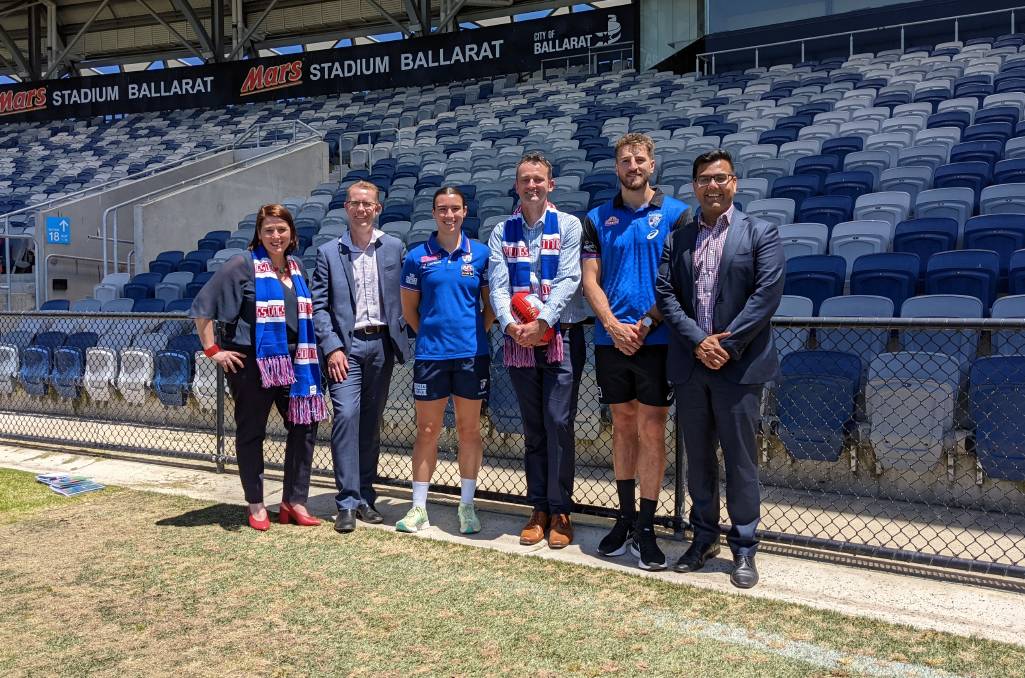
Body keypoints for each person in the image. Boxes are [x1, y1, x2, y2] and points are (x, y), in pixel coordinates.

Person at [655, 149, 784, 589]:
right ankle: (704, 536)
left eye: (721, 178)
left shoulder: (760, 233)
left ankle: (744, 546)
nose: (713, 185)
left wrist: (725, 344)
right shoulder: (680, 238)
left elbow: (766, 295)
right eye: (705, 179)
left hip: (738, 366)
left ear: (735, 183)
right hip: (693, 366)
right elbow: (667, 294)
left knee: (741, 460)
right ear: (694, 186)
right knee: (698, 462)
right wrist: (698, 341)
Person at [580, 132, 691, 570]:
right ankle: (623, 520)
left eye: (640, 159)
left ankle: (647, 526)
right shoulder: (597, 217)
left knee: (652, 428)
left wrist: (643, 325)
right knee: (622, 426)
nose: (633, 166)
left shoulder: (677, 214)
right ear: (616, 167)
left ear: (652, 164)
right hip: (611, 340)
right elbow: (591, 278)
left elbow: (677, 281)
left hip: (656, 339)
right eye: (625, 160)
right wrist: (611, 324)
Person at [192, 203, 327, 531]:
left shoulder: (297, 269)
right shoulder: (242, 265)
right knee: (252, 432)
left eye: (281, 229)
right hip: (251, 363)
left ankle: (294, 501)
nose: (275, 235)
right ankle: (256, 503)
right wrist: (214, 351)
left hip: (296, 361)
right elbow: (203, 307)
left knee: (304, 427)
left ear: (291, 233)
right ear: (259, 233)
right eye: (268, 230)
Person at [488, 152, 587, 549]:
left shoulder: (568, 225)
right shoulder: (501, 231)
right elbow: (497, 284)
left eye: (538, 179)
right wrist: (512, 326)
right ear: (517, 185)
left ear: (551, 185)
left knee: (558, 422)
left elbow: (569, 277)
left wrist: (542, 322)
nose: (531, 186)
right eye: (525, 180)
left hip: (559, 334)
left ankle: (561, 510)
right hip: (519, 341)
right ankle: (539, 508)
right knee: (532, 426)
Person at [311, 180, 411, 535]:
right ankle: (347, 501)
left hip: (382, 345)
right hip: (346, 348)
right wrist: (332, 347)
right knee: (346, 417)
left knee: (370, 424)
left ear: (378, 208)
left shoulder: (394, 247)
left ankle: (367, 496)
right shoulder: (328, 252)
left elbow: (407, 295)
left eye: (368, 203)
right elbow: (319, 308)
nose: (362, 209)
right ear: (346, 208)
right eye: (355, 203)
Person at [398, 186, 494, 534]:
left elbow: (490, 307)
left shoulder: (481, 255)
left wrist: (472, 335)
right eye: (442, 209)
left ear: (465, 211)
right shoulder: (417, 256)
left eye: (455, 208)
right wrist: (433, 336)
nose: (449, 215)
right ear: (434, 213)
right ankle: (418, 508)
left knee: (469, 431)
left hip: (471, 356)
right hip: (430, 357)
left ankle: (466, 506)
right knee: (427, 431)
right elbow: (410, 310)